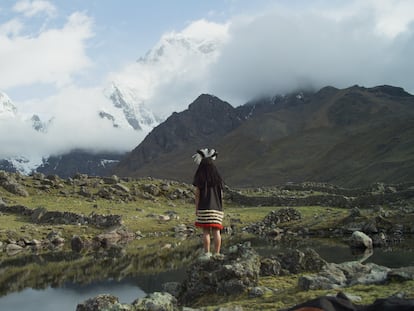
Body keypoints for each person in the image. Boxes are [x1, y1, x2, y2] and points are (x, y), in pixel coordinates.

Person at [192, 148, 224, 260]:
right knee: (216, 231)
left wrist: (197, 208)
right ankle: (217, 254)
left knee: (206, 231)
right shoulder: (217, 179)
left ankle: (207, 253)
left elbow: (197, 195)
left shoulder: (200, 178)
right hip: (217, 209)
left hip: (204, 208)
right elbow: (221, 194)